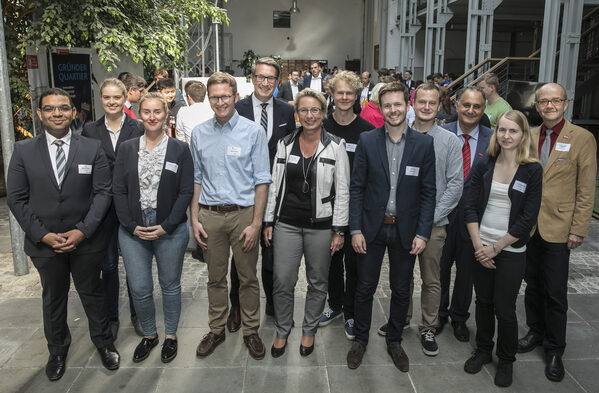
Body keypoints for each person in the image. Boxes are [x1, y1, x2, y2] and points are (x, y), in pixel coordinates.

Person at [7, 88, 120, 381]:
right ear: (40, 114)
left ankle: (105, 344)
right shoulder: (23, 150)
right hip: (44, 244)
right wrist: (42, 235)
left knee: (93, 294)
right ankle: (57, 350)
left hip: (86, 240)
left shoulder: (91, 148)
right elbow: (16, 198)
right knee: (53, 298)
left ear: (73, 112)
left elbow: (102, 193)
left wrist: (83, 231)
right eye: (50, 109)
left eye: (63, 108)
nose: (57, 113)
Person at [346, 82, 436, 372]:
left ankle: (395, 341)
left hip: (405, 230)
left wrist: (423, 232)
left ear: (407, 106)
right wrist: (356, 229)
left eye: (398, 104)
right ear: (380, 108)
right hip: (372, 228)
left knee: (400, 290)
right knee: (364, 288)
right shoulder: (368, 140)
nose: (393, 109)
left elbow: (428, 193)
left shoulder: (424, 144)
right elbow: (356, 188)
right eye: (388, 105)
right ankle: (360, 339)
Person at [518, 83, 597, 382]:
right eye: (543, 101)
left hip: (559, 229)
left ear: (565, 103)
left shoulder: (582, 138)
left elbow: (586, 189)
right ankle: (535, 332)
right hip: (529, 228)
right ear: (536, 106)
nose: (549, 105)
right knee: (532, 285)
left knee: (554, 291)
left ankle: (554, 349)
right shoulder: (531, 136)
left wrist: (578, 229)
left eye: (555, 100)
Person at [190, 72, 271, 360]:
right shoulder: (199, 133)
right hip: (211, 215)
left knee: (248, 278)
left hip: (244, 215)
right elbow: (196, 178)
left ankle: (251, 331)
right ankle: (217, 329)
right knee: (215, 278)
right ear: (208, 99)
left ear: (235, 97)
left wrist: (256, 223)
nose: (220, 101)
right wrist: (195, 218)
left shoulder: (253, 132)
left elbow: (262, 180)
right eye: (215, 97)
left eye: (225, 96)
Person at [377, 83, 462, 356]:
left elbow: (455, 186)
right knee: (402, 278)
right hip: (401, 223)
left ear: (439, 107)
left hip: (434, 225)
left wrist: (428, 221)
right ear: (412, 104)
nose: (426, 107)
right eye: (421, 102)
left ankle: (428, 325)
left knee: (431, 278)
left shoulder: (450, 141)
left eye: (432, 103)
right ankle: (401, 319)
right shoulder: (400, 135)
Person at [264, 88, 350, 358]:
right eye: (304, 110)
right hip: (286, 224)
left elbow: (343, 190)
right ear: (297, 113)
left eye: (315, 110)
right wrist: (269, 221)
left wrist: (339, 229)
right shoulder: (285, 143)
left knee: (317, 282)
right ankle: (282, 330)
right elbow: (274, 185)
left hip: (321, 227)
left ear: (323, 113)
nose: (309, 115)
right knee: (282, 280)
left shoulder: (336, 145)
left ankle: (309, 330)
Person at [463, 110, 543, 387]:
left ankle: (506, 359)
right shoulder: (485, 163)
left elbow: (527, 219)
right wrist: (478, 245)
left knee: (505, 308)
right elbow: (470, 205)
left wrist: (495, 248)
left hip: (510, 250)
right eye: (502, 130)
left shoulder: (532, 169)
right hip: (481, 244)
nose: (506, 136)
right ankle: (483, 349)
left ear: (523, 135)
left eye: (513, 131)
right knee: (483, 302)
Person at [112, 92, 193, 363]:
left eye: (157, 111)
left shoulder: (180, 150)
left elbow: (185, 193)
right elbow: (118, 191)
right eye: (146, 111)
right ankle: (149, 335)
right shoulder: (126, 148)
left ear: (166, 114)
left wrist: (167, 226)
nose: (152, 117)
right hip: (133, 230)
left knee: (169, 285)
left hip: (169, 229)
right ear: (139, 113)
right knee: (139, 287)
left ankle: (170, 336)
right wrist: (130, 226)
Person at [227, 57, 296, 331]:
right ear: (252, 79)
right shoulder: (237, 108)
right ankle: (236, 307)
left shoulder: (286, 111)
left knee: (272, 254)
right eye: (260, 77)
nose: (265, 83)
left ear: (277, 82)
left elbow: (290, 149)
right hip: (243, 194)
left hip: (276, 194)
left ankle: (271, 302)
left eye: (271, 78)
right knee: (240, 256)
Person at [81, 78, 145, 339]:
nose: (111, 102)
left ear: (124, 97)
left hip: (131, 205)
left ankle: (138, 314)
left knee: (135, 265)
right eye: (106, 97)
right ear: (101, 99)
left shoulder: (138, 128)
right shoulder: (89, 130)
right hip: (104, 209)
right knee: (107, 265)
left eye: (116, 97)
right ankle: (111, 317)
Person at [318, 71, 374, 340]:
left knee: (354, 265)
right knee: (330, 262)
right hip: (326, 207)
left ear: (357, 96)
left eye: (349, 93)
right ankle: (335, 305)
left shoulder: (367, 132)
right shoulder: (321, 127)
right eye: (339, 92)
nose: (343, 97)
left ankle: (351, 312)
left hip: (356, 209)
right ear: (330, 92)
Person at [438, 86, 493, 343]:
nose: (471, 111)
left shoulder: (493, 139)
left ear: (483, 110)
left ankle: (459, 317)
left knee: (466, 270)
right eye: (466, 105)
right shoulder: (440, 134)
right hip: (443, 215)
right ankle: (438, 313)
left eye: (477, 106)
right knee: (440, 266)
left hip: (474, 219)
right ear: (457, 105)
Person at [176, 80, 209, 145]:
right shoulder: (213, 109)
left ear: (188, 97)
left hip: (191, 151)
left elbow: (181, 138)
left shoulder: (183, 111)